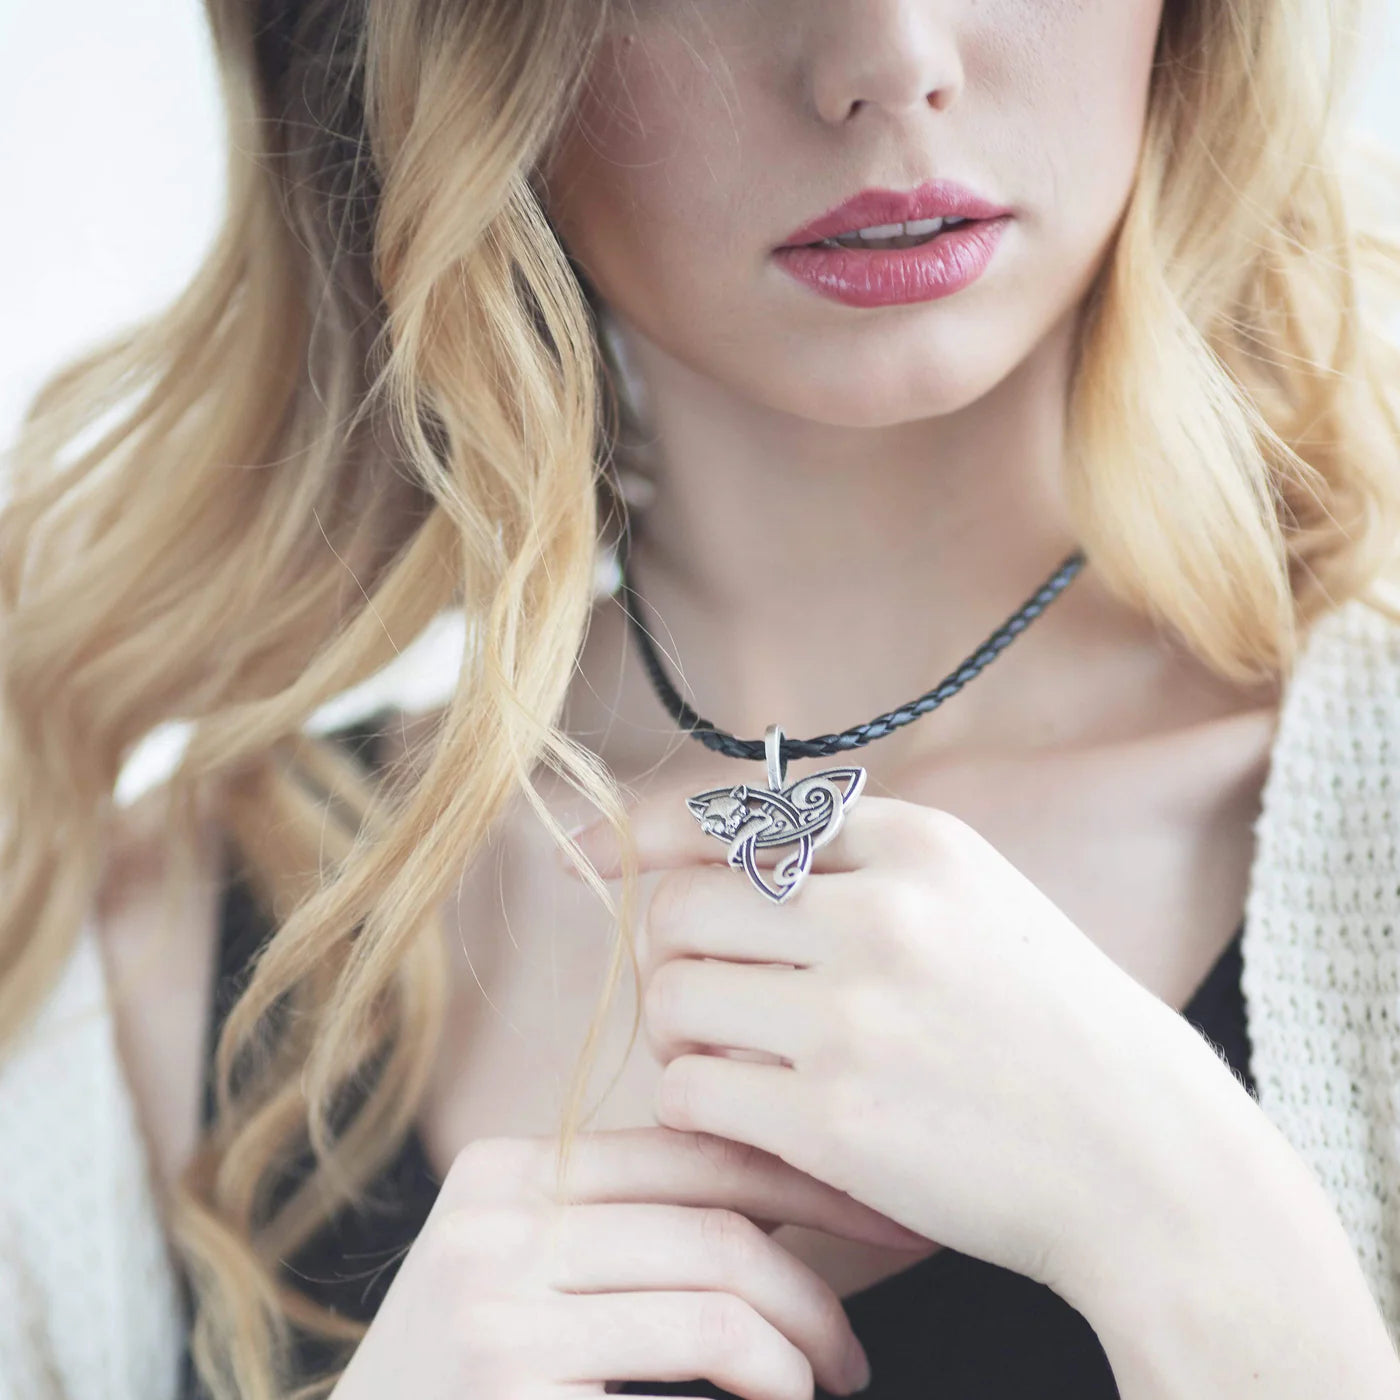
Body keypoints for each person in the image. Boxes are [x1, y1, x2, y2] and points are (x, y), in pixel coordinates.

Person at [4, 0, 1400, 1396]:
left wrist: (1193, 1235)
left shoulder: (1371, 840)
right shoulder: (121, 979)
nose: (894, 63)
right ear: (468, 53)